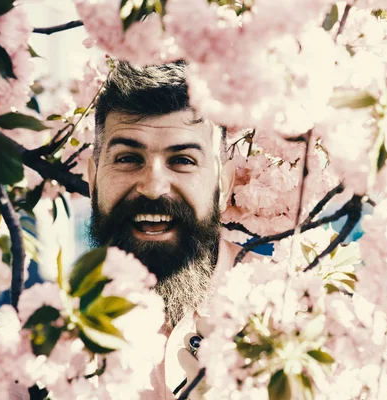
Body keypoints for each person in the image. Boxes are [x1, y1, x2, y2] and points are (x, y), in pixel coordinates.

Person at [87, 61, 254, 399]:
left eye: (183, 160)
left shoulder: (294, 315)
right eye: (127, 158)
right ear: (92, 179)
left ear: (223, 183)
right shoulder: (47, 342)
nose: (153, 187)